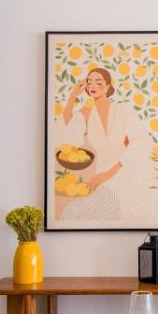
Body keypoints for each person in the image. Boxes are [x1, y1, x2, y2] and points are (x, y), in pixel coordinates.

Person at [58, 67, 135, 219]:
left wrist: (107, 175)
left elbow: (135, 146)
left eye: (98, 82)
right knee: (71, 212)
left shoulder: (122, 110)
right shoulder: (86, 113)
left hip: (122, 171)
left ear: (107, 86)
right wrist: (73, 96)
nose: (93, 86)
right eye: (89, 82)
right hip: (98, 176)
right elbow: (64, 130)